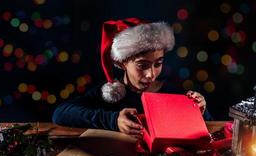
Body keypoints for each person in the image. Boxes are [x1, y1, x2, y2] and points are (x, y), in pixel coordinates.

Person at [52, 18, 212, 138]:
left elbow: (210, 128)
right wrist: (114, 120)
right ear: (121, 62)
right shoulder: (108, 94)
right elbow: (60, 114)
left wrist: (200, 112)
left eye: (158, 64)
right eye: (142, 65)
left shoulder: (173, 93)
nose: (151, 74)